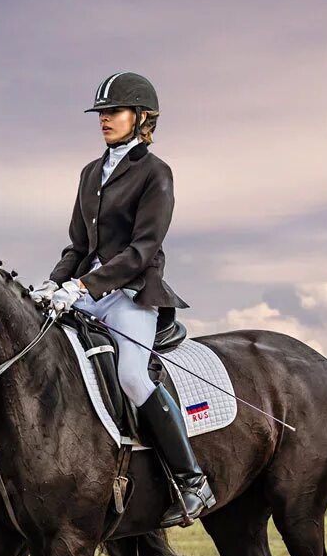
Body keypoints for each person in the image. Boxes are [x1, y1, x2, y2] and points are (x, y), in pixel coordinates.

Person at [32, 72, 216, 528]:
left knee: (132, 375)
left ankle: (192, 481)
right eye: (101, 113)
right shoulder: (90, 173)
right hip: (88, 291)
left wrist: (84, 287)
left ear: (141, 117)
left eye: (113, 112)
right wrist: (53, 284)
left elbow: (143, 249)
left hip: (133, 292)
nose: (105, 120)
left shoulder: (156, 173)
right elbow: (77, 246)